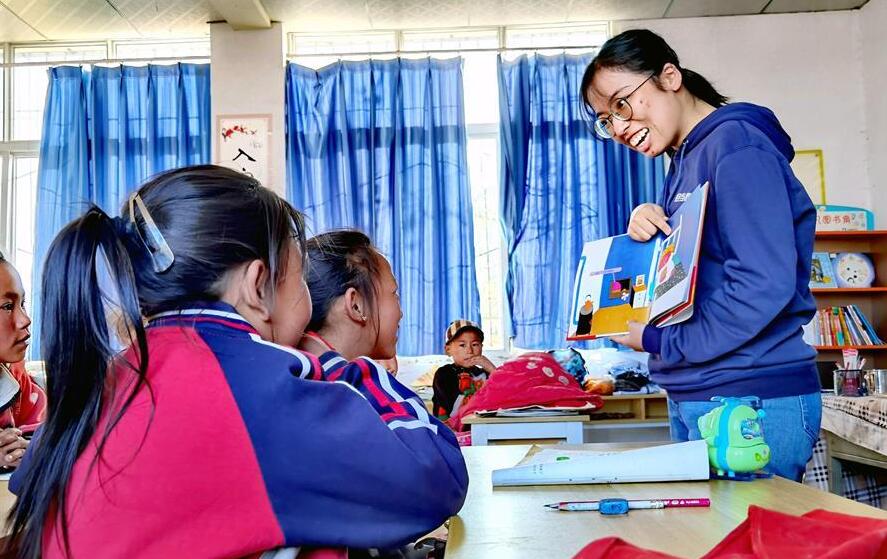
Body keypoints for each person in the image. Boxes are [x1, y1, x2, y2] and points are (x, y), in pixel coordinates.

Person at [8, 166, 468, 559]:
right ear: (258, 284)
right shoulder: (258, 389)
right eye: (300, 277)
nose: (307, 296)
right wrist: (335, 364)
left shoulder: (108, 376)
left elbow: (27, 482)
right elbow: (437, 478)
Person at [581, 29, 821, 481]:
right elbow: (694, 276)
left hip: (748, 395)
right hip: (703, 390)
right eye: (606, 120)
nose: (618, 128)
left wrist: (660, 342)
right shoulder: (687, 158)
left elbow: (762, 283)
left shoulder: (736, 146)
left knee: (748, 530)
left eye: (621, 104)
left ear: (669, 77)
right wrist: (648, 228)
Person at [299, 230, 401, 363]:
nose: (401, 314)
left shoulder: (304, 368)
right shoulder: (363, 376)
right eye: (394, 294)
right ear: (356, 306)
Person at [0, 252, 46, 469]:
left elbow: (46, 429)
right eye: (7, 306)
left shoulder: (16, 377)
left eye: (22, 303)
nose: (25, 320)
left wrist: (26, 449)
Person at [432, 320, 496, 420]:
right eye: (462, 345)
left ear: (481, 347)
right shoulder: (444, 374)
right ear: (448, 350)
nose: (470, 351)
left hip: (480, 426)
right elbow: (454, 410)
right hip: (450, 428)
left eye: (475, 344)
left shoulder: (484, 373)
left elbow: (507, 395)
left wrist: (492, 370)